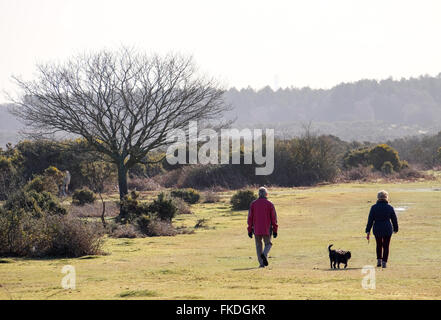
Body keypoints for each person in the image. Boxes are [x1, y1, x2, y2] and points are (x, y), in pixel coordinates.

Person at [365, 190, 399, 268]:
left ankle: (379, 261)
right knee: (386, 246)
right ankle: (384, 262)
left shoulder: (373, 207)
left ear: (378, 197)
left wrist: (368, 230)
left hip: (377, 228)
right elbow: (394, 219)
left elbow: (370, 219)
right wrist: (396, 228)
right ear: (386, 197)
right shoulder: (389, 207)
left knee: (379, 245)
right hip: (387, 228)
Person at [247, 187, 278, 268]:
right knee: (268, 244)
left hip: (256, 229)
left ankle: (261, 264)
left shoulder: (253, 204)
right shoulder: (270, 204)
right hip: (267, 229)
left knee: (258, 245)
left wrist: (249, 230)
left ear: (258, 194)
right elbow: (274, 218)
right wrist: (275, 230)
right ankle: (264, 255)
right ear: (266, 194)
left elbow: (250, 218)